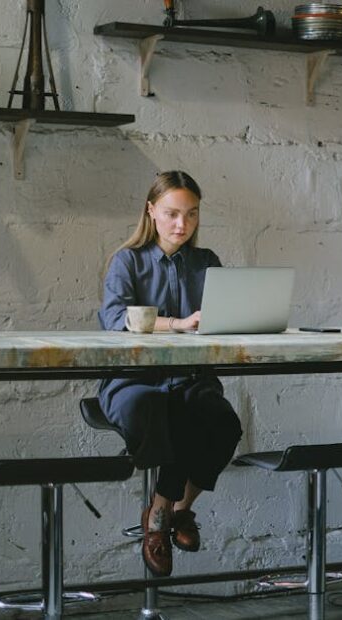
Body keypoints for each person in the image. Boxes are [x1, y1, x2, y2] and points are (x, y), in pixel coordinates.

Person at [98, 170, 243, 577]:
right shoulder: (129, 260)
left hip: (191, 377)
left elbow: (225, 317)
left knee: (225, 424)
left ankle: (174, 509)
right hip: (134, 382)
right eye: (172, 213)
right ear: (151, 211)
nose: (182, 225)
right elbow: (114, 319)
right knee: (175, 415)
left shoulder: (206, 263)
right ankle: (160, 517)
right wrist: (177, 324)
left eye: (192, 215)